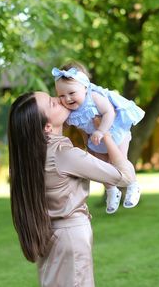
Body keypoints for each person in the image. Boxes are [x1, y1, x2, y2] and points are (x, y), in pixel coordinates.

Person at [8, 91, 136, 287]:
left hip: (50, 234)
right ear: (47, 127)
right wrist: (109, 135)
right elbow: (126, 177)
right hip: (70, 238)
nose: (60, 100)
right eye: (53, 103)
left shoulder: (31, 156)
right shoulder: (64, 155)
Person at [52, 63, 144, 214]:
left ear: (85, 88)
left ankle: (133, 186)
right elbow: (78, 128)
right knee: (102, 167)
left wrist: (101, 131)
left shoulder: (93, 97)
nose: (67, 98)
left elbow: (109, 113)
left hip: (115, 133)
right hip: (96, 140)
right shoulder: (70, 110)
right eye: (61, 95)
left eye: (71, 93)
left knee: (120, 160)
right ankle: (111, 191)